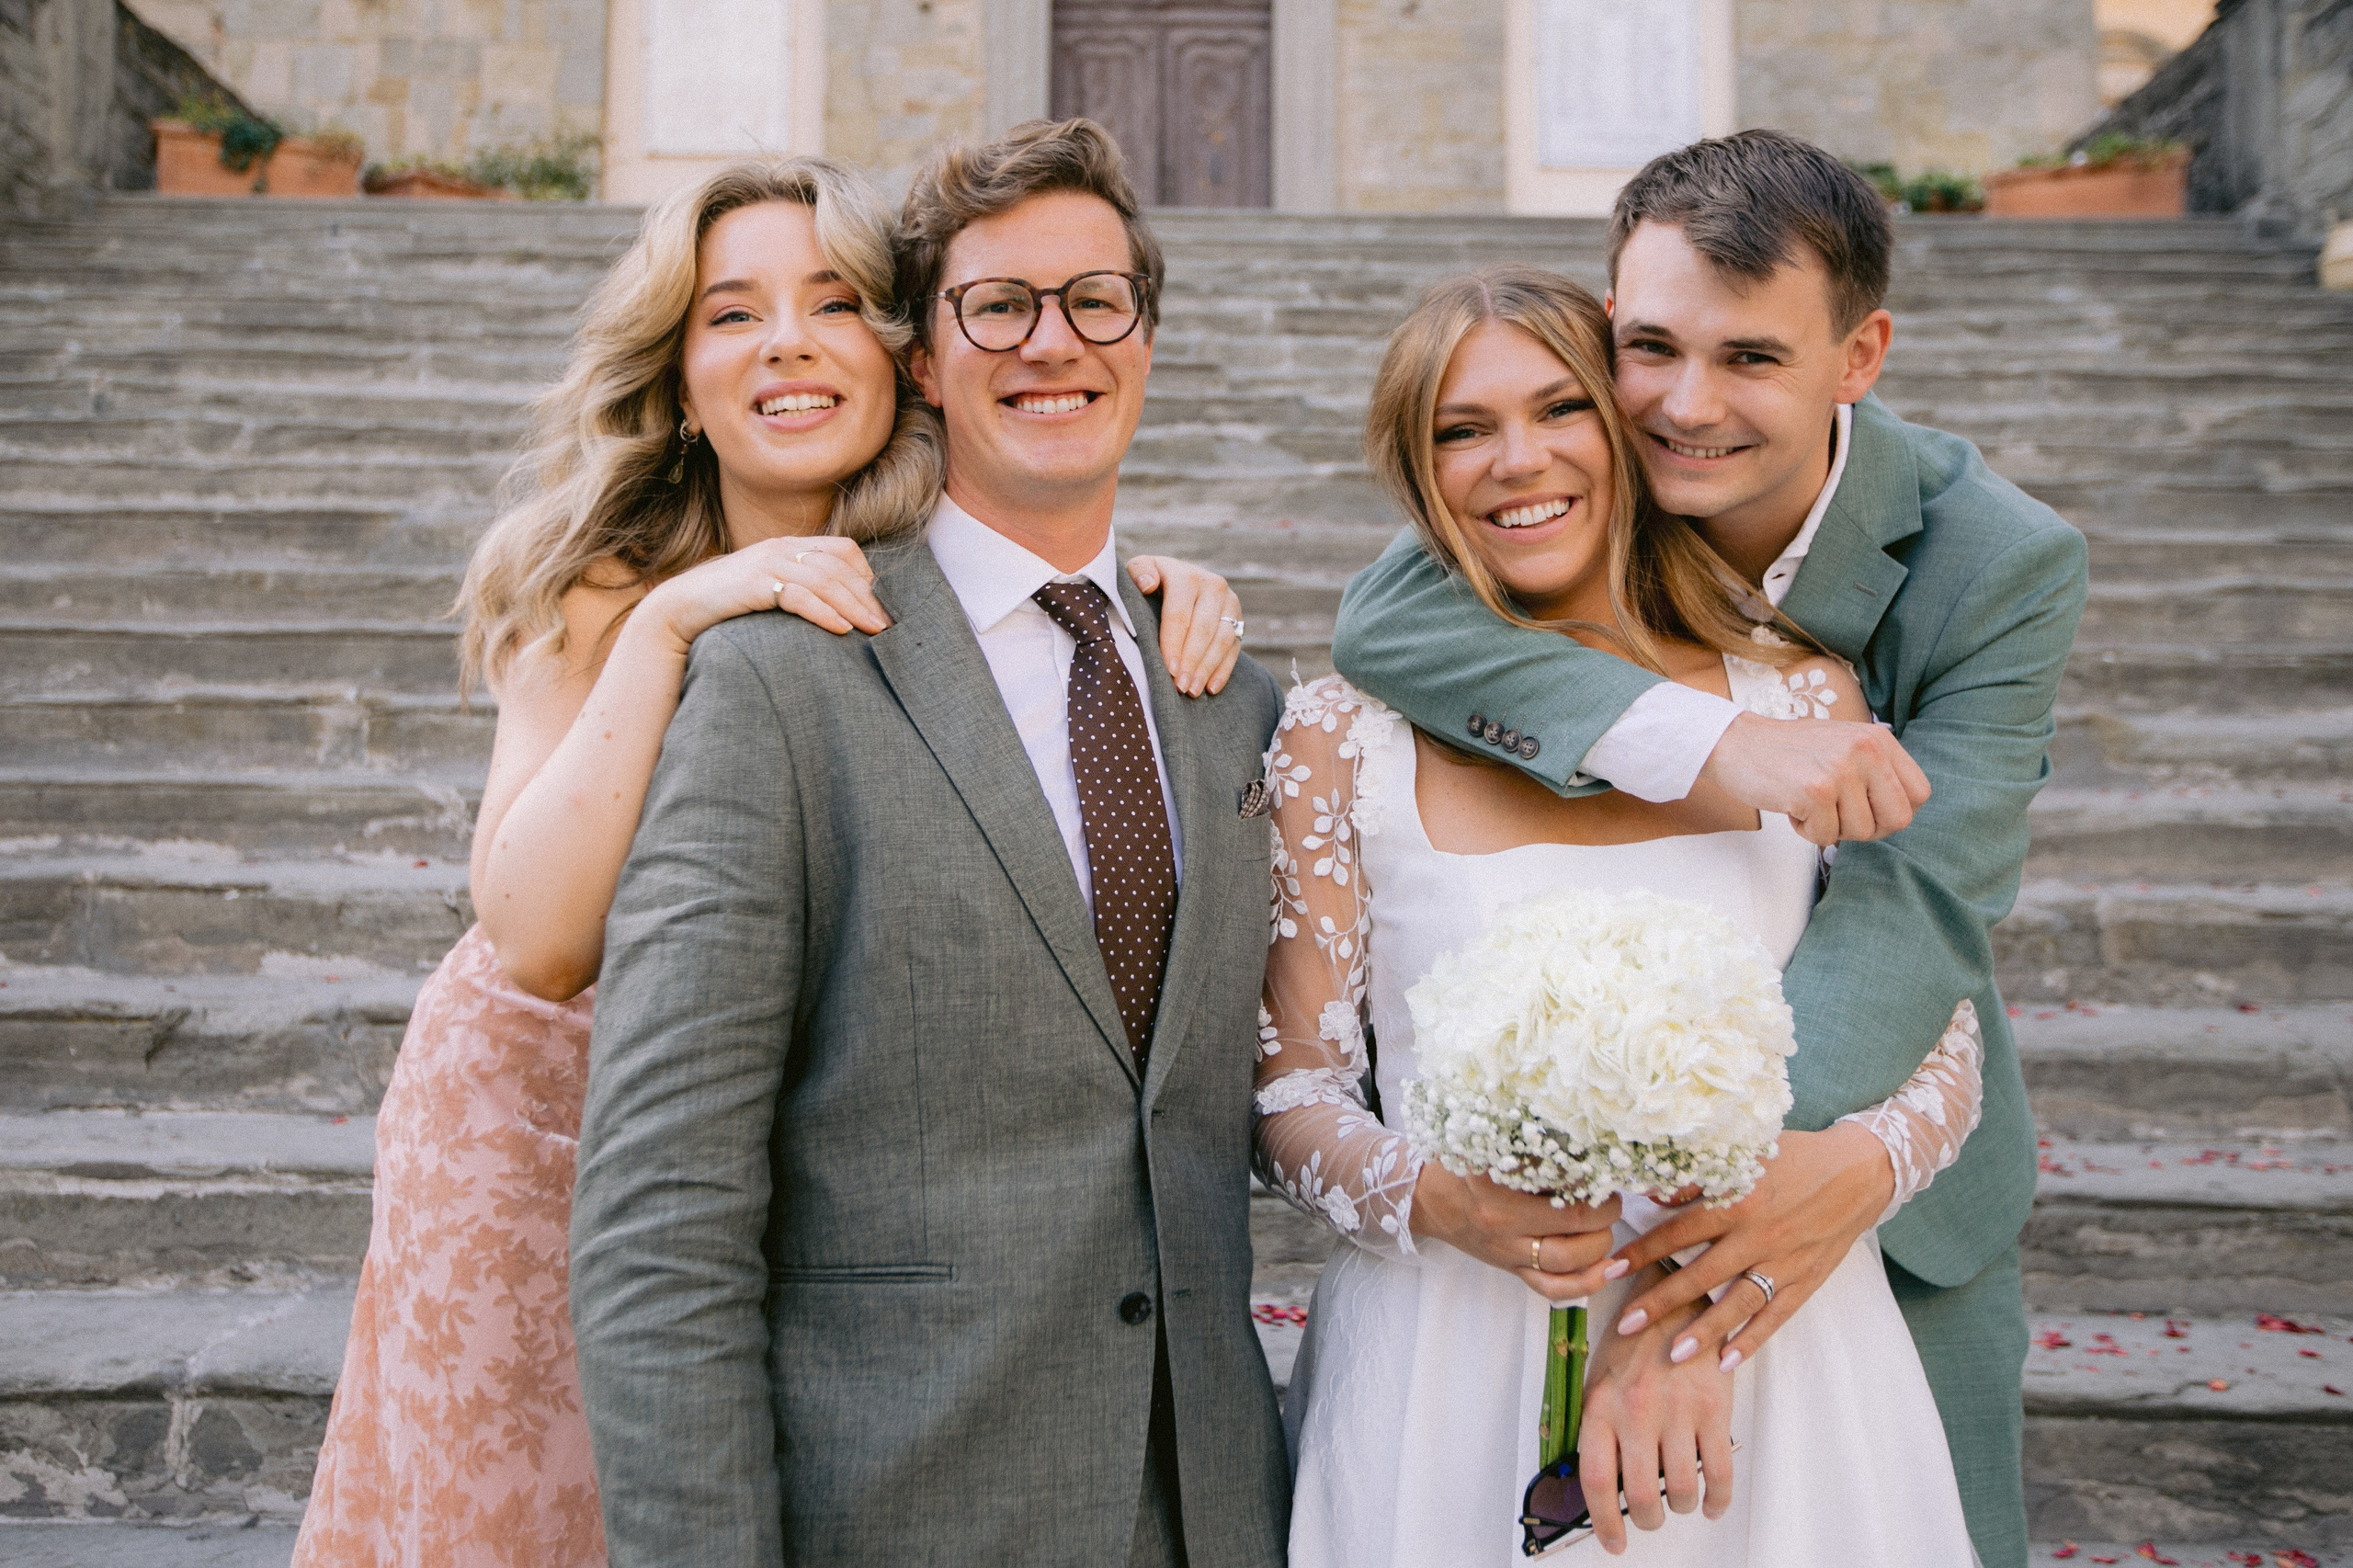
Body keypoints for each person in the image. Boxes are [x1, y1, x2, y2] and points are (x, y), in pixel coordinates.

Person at [291, 154, 1246, 1567]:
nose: (788, 341)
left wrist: (1146, 596)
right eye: (732, 315)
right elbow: (540, 936)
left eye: (835, 302)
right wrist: (678, 621)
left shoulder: (923, 566)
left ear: (908, 355)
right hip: (535, 1110)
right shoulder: (609, 578)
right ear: (679, 377)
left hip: (807, 1126)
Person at [1330, 131, 2089, 1567]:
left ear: (1857, 355)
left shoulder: (1997, 564)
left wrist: (1720, 1249)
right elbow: (1384, 622)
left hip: (1866, 1163)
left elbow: (1919, 897)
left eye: (1750, 359)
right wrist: (1713, 744)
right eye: (1648, 347)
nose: (1682, 408)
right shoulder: (1567, 453)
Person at [568, 119, 1290, 1568]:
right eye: (997, 305)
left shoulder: (1233, 700)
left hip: (1214, 1511)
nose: (1054, 343)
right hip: (902, 1508)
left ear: (1144, 334)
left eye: (1096, 300)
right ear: (920, 357)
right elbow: (660, 1219)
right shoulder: (779, 682)